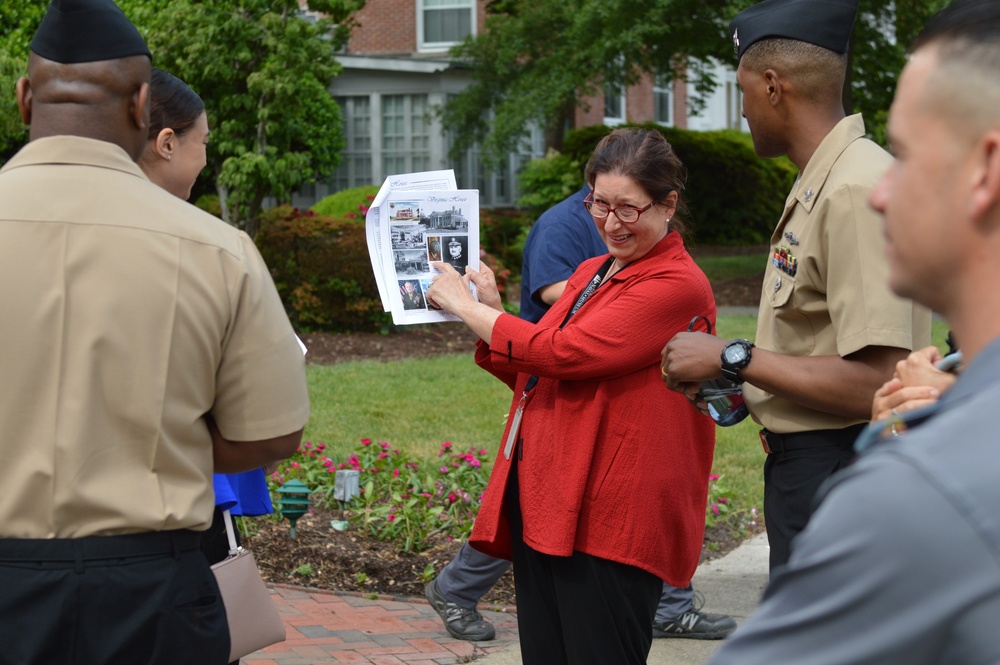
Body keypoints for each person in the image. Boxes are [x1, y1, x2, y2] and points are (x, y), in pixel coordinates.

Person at [0, 2, 310, 663]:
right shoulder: (218, 250)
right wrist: (155, 443)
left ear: (25, 97)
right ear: (143, 105)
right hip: (150, 593)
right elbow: (272, 432)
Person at [708, 1, 1000, 661]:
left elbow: (874, 375)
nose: (884, 190)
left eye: (911, 153)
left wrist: (738, 357)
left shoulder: (921, 492)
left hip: (831, 460)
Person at [427, 128, 717, 665]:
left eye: (628, 209)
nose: (610, 222)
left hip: (614, 517)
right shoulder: (595, 269)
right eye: (599, 204)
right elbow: (544, 370)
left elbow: (566, 353)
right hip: (554, 499)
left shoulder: (676, 284)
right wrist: (491, 307)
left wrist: (472, 312)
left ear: (668, 203)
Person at [661, 0, 931, 572]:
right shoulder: (825, 179)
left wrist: (732, 355)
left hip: (838, 474)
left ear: (773, 86)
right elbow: (818, 339)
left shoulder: (853, 190)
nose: (742, 112)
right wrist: (732, 375)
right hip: (816, 470)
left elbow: (878, 384)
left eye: (742, 92)